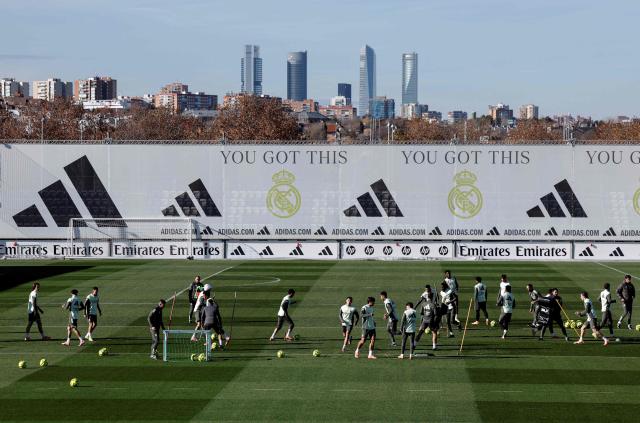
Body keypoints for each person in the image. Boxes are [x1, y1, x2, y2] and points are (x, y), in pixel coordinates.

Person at [415, 285, 440, 350]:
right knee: (434, 332)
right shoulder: (433, 304)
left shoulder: (423, 304)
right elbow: (436, 314)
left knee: (420, 331)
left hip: (425, 319)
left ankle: (414, 343)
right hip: (431, 319)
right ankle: (434, 346)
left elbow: (421, 313)